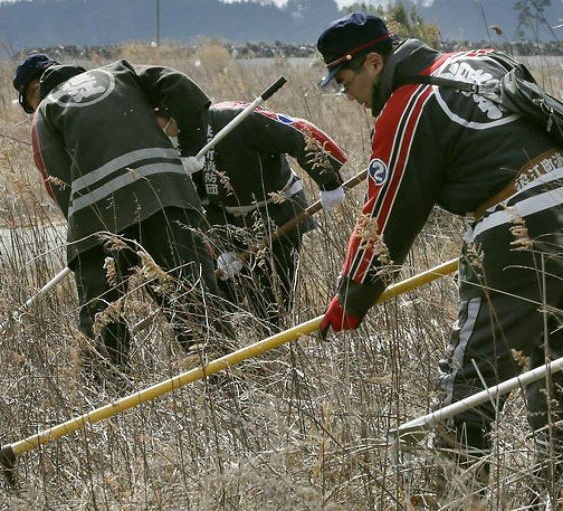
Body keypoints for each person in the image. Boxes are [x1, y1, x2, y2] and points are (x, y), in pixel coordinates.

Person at [315, 13, 563, 505]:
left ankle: (454, 500)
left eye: (345, 81)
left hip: (518, 225)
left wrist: (352, 297)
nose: (346, 95)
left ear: (373, 61)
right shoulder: (482, 60)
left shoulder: (406, 105)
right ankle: (553, 496)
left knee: (469, 382)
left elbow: (386, 215)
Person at [16, 54, 231, 385]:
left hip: (97, 222)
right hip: (165, 198)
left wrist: (84, 239)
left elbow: (57, 183)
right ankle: (230, 393)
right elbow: (179, 85)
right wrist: (190, 151)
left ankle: (108, 404)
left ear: (35, 93)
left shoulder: (45, 111)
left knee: (102, 322)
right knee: (195, 304)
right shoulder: (120, 72)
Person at [156, 102, 348, 329]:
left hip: (278, 211)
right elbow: (200, 200)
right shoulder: (179, 147)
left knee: (271, 303)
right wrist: (221, 245)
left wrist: (329, 181)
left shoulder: (233, 118)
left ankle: (274, 347)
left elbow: (297, 132)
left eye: (158, 124)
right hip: (228, 221)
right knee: (222, 297)